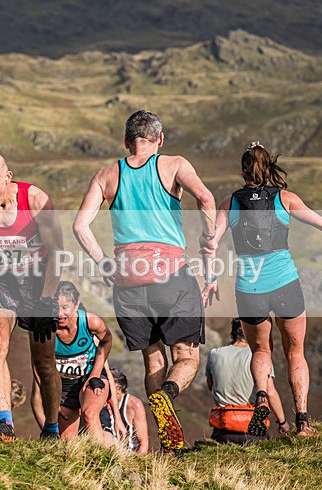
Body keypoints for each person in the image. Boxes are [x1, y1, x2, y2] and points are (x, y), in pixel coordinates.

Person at [202, 142, 322, 436]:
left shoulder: (230, 203)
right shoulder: (285, 199)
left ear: (243, 171)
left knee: (260, 349)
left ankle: (261, 395)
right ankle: (302, 421)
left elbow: (210, 242)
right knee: (295, 352)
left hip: (249, 287)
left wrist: (211, 278)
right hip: (284, 282)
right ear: (269, 167)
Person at [73, 110, 217, 452]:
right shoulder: (173, 165)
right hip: (171, 275)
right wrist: (208, 242)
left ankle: (169, 443)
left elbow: (80, 226)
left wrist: (105, 265)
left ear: (126, 142)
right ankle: (168, 395)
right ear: (160, 140)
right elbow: (207, 199)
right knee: (186, 356)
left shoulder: (107, 175)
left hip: (127, 282)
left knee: (153, 360)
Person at [0, 152, 64, 441]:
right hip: (1, 278)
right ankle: (5, 422)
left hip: (38, 279)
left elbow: (57, 253)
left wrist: (46, 300)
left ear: (8, 177)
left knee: (43, 362)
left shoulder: (35, 201)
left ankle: (52, 428)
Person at [30, 281, 118, 442]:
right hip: (62, 386)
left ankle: (105, 461)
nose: (59, 313)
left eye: (65, 307)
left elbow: (107, 341)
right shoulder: (46, 329)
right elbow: (38, 366)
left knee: (90, 414)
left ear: (76, 304)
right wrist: (49, 398)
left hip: (89, 377)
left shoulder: (91, 322)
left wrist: (95, 374)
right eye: (55, 307)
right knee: (68, 443)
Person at [206, 318, 290, 444]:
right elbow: (270, 393)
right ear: (252, 334)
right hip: (253, 429)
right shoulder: (260, 358)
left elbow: (211, 385)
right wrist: (282, 422)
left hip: (223, 430)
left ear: (231, 335)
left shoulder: (215, 354)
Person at [100, 367, 149, 453]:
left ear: (117, 387)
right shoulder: (97, 402)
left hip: (128, 457)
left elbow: (143, 444)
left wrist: (136, 464)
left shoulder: (133, 405)